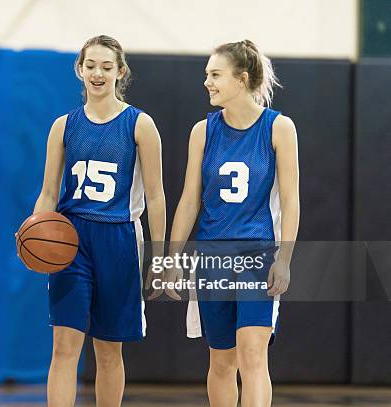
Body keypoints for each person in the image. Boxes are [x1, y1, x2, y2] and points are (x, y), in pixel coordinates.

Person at [31, 35, 166, 407]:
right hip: (70, 239)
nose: (98, 73)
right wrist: (37, 224)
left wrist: (160, 254)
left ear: (120, 72)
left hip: (119, 239)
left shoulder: (140, 125)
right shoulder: (63, 126)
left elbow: (155, 195)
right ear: (79, 69)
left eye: (107, 67)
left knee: (108, 351)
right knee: (64, 345)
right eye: (91, 65)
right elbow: (47, 192)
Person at [169, 40, 299, 406]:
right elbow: (190, 200)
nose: (207, 82)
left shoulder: (278, 128)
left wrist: (285, 259)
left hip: (257, 253)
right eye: (206, 75)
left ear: (241, 79)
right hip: (211, 257)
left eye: (215, 75)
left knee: (254, 354)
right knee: (222, 361)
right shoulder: (203, 131)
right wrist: (172, 259)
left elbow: (291, 200)